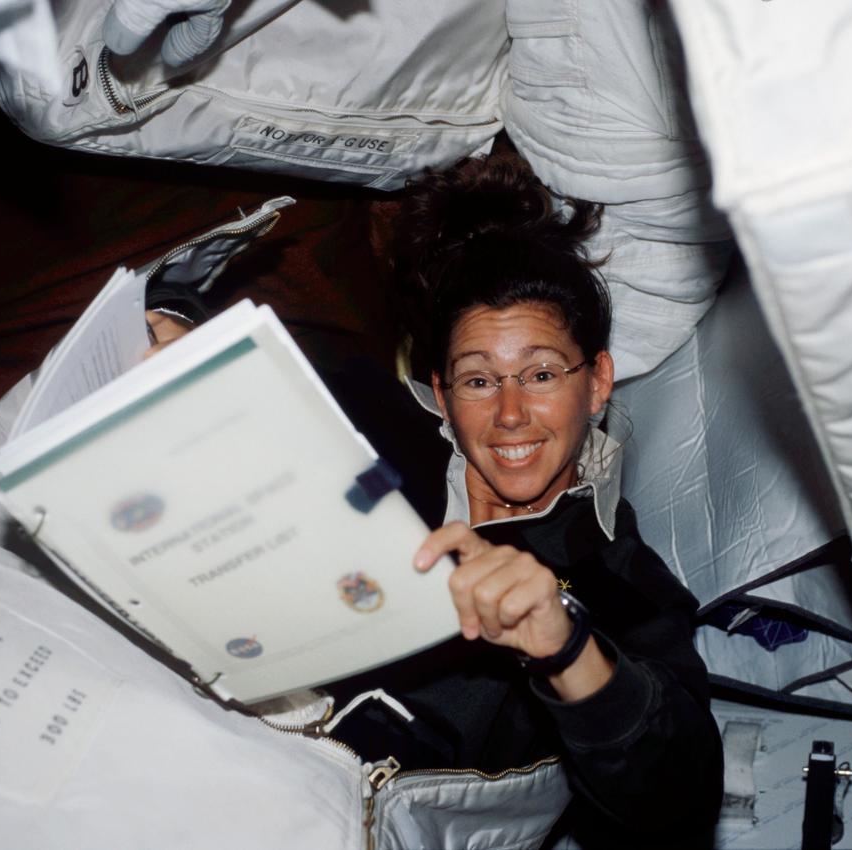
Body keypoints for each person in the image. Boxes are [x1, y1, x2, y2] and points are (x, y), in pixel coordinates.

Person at [146, 151, 723, 847]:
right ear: (443, 396)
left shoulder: (625, 585)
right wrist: (178, 343)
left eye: (541, 374)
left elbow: (680, 803)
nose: (511, 415)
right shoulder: (371, 425)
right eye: (479, 382)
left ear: (597, 380)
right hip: (197, 747)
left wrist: (563, 645)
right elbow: (239, 355)